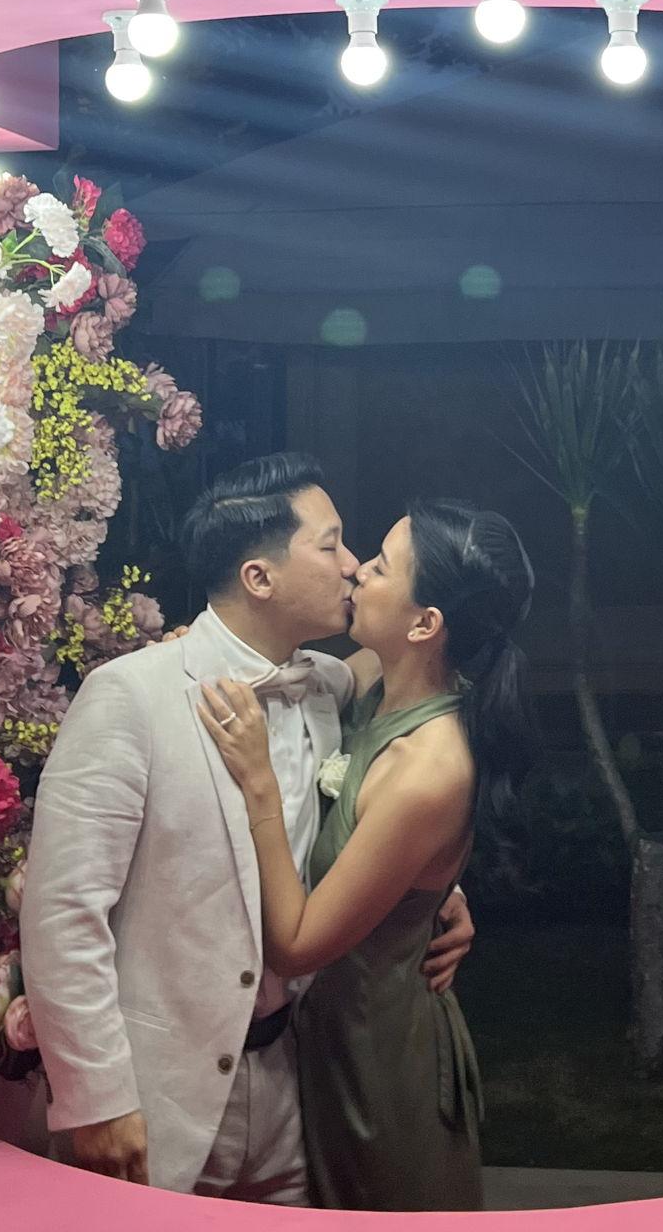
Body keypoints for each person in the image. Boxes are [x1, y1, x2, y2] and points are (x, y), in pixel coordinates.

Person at [21, 453, 475, 1201]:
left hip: (301, 1085)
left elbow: (389, 808)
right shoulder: (130, 696)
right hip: (161, 1091)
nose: (353, 566)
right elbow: (63, 915)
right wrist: (97, 1097)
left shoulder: (329, 689)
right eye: (330, 545)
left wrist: (437, 894)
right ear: (259, 577)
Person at [198, 496, 536, 1211]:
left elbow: (295, 945)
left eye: (381, 566)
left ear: (425, 623)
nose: (356, 573)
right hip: (319, 1043)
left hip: (379, 1064)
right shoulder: (375, 678)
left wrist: (259, 781)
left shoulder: (430, 768)